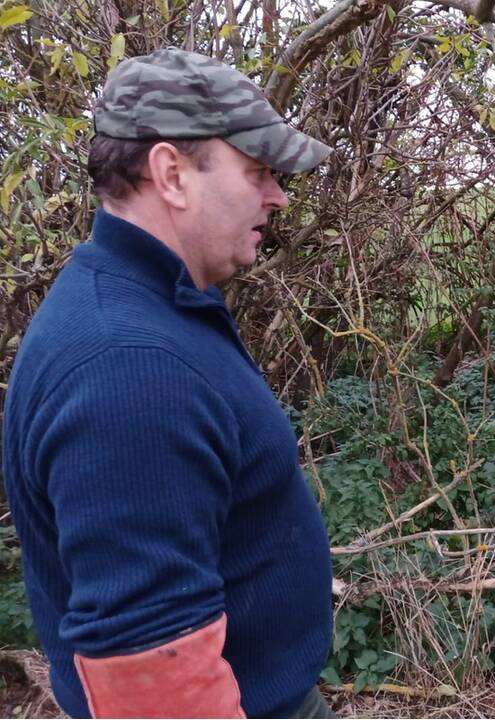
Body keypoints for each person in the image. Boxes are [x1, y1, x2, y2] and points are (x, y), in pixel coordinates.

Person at [3, 48, 336, 718]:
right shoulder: (128, 368)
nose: (278, 195)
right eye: (256, 171)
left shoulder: (146, 306)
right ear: (172, 175)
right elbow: (152, 683)